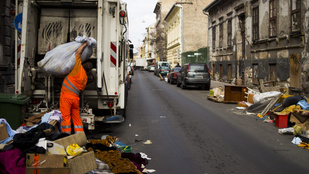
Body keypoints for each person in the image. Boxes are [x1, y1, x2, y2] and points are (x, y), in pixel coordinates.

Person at [60, 42, 92, 134]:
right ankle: (79, 134)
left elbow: (77, 53)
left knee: (66, 118)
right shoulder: (85, 78)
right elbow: (82, 89)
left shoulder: (77, 68)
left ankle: (66, 136)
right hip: (75, 99)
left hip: (66, 97)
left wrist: (84, 44)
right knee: (76, 118)